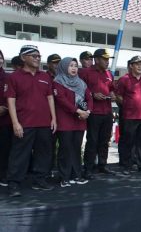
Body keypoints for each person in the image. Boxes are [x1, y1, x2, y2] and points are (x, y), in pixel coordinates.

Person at [5, 45, 57, 196]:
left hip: (44, 123)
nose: (37, 58)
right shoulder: (14, 77)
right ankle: (14, 184)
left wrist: (53, 118)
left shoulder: (45, 76)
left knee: (44, 153)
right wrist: (15, 123)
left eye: (39, 56)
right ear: (23, 58)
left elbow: (50, 98)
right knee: (19, 154)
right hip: (24, 123)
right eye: (33, 56)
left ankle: (39, 180)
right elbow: (11, 100)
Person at [53, 57, 92, 186]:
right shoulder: (58, 82)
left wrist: (88, 112)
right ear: (64, 67)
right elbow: (61, 100)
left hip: (80, 121)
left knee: (76, 148)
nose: (74, 68)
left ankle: (76, 175)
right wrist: (78, 111)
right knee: (65, 149)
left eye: (75, 65)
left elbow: (89, 98)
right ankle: (64, 177)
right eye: (70, 65)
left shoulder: (81, 83)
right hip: (65, 121)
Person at [79, 49, 116, 179]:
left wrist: (112, 94)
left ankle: (102, 165)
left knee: (105, 140)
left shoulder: (109, 74)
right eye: (105, 59)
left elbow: (112, 89)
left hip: (107, 111)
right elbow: (79, 90)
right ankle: (88, 168)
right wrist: (93, 95)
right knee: (92, 140)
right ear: (97, 59)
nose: (107, 62)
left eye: (108, 59)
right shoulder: (85, 72)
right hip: (93, 112)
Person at [115, 55, 141, 175]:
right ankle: (127, 166)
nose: (140, 66)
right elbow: (119, 96)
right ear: (131, 66)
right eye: (137, 64)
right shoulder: (124, 79)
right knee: (128, 142)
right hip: (129, 117)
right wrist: (128, 104)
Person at [0, 49, 13, 186]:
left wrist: (4, 107)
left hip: (4, 120)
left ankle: (3, 175)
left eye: (0, 57)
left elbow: (12, 97)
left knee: (5, 149)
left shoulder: (8, 77)